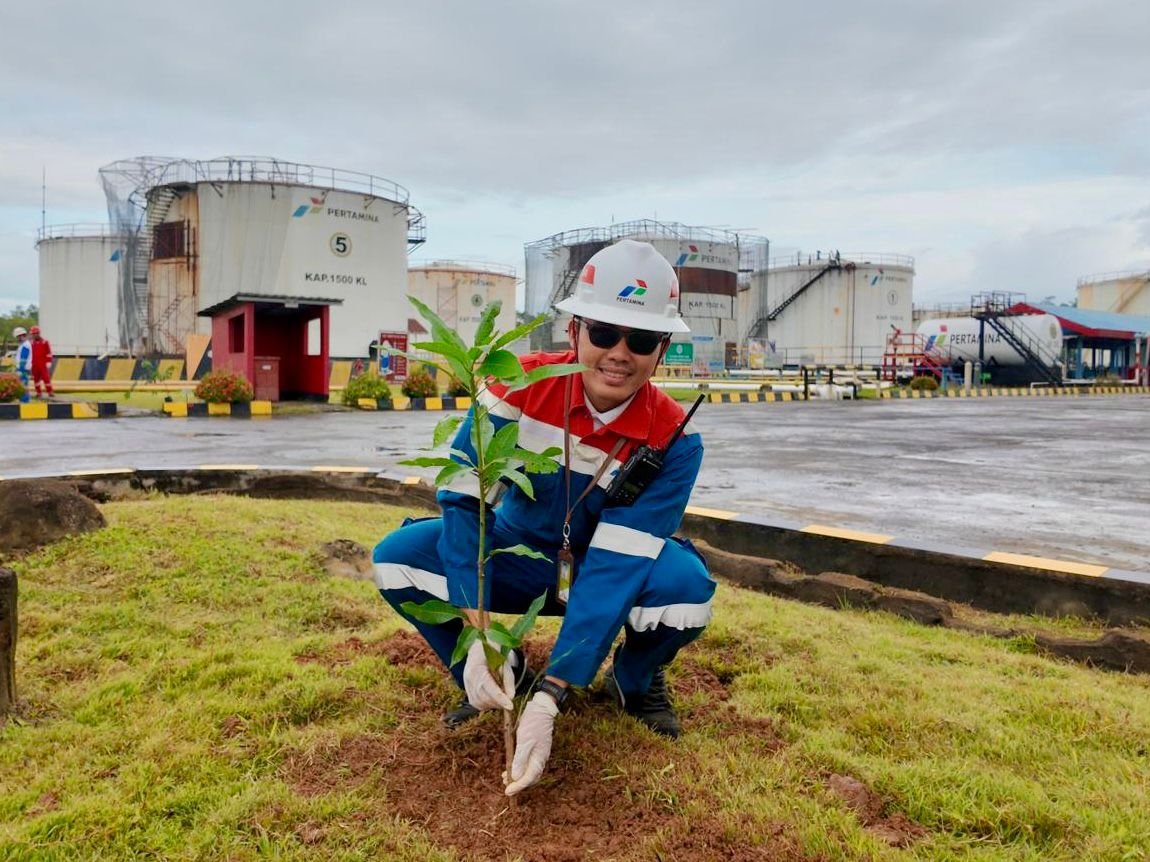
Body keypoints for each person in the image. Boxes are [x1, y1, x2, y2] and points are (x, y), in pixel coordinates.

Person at [372, 239, 714, 796]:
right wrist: (479, 634)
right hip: (517, 555)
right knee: (397, 561)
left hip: (604, 570)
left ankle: (632, 680)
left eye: (641, 339)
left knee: (685, 594)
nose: (619, 353)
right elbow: (464, 504)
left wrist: (554, 694)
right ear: (574, 331)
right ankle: (496, 673)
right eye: (603, 332)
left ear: (662, 350)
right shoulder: (517, 387)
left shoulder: (675, 439)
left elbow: (619, 561)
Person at [28, 326, 54, 399]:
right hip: (34, 364)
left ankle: (50, 392)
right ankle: (38, 393)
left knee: (46, 378)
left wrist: (49, 361)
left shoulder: (45, 342)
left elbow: (49, 353)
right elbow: (29, 354)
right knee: (36, 379)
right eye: (33, 334)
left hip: (43, 364)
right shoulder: (31, 343)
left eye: (35, 334)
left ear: (38, 333)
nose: (34, 335)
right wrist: (29, 363)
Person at [12, 327, 31, 403]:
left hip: (23, 369)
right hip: (23, 369)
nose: (17, 339)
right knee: (22, 385)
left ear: (21, 335)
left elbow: (23, 359)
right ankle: (23, 400)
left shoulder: (25, 345)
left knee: (23, 385)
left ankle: (24, 401)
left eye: (17, 337)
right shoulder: (24, 344)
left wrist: (20, 369)